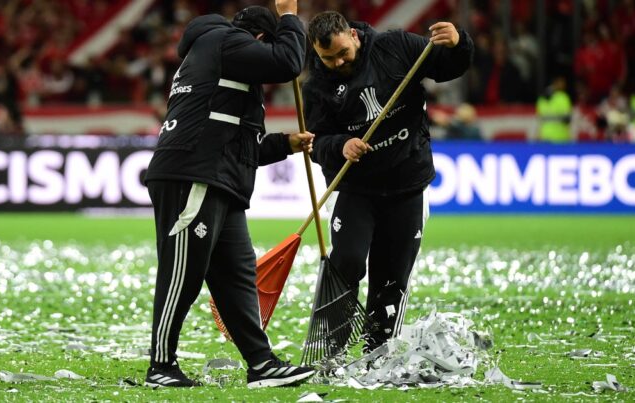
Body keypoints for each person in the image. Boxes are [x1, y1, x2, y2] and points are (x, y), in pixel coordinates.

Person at [142, 0, 315, 388]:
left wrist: (285, 144)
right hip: (194, 174)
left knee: (237, 276)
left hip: (219, 178)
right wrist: (290, 16)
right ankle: (161, 366)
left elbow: (242, 144)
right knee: (183, 273)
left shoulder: (222, 61)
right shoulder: (226, 41)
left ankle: (261, 364)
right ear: (259, 39)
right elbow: (288, 62)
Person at [302, 11, 473, 353]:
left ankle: (378, 352)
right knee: (347, 260)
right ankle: (330, 351)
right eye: (328, 58)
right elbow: (316, 143)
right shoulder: (316, 86)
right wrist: (341, 145)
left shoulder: (395, 46)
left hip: (407, 182)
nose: (337, 62)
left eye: (342, 53)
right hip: (356, 188)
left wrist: (458, 43)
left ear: (353, 35)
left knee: (393, 274)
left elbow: (446, 67)